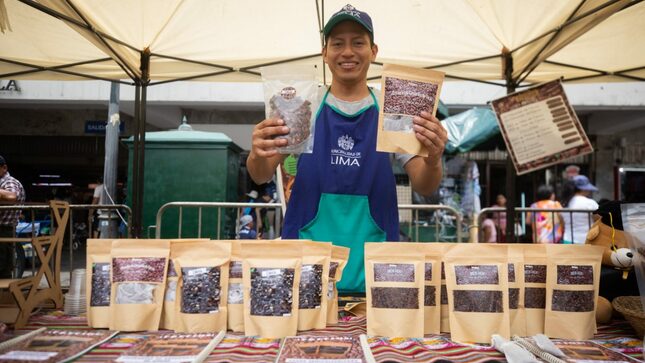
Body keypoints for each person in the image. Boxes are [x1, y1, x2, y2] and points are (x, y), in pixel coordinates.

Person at [246, 4, 447, 293]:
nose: (348, 52)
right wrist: (257, 152)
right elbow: (261, 173)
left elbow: (425, 185)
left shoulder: (393, 111)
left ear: (374, 51)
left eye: (358, 43)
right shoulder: (303, 105)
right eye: (337, 43)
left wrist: (434, 159)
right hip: (307, 268)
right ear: (324, 53)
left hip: (375, 270)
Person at [0, 155, 26, 278]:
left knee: (3, 268)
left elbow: (11, 197)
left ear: (4, 168)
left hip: (4, 229)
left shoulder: (9, 181)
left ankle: (4, 296)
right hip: (4, 229)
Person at [561, 175, 599, 244]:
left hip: (567, 241)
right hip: (585, 241)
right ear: (583, 189)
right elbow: (599, 221)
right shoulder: (590, 203)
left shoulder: (564, 204)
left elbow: (563, 223)